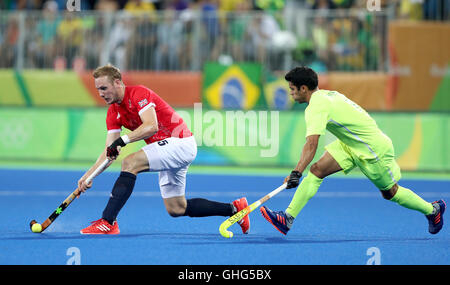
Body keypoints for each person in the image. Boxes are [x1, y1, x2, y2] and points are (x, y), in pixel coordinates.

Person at [260, 66, 446, 235]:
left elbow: (311, 144)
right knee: (317, 170)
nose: (291, 93)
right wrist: (298, 172)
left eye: (292, 89)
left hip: (371, 150)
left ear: (303, 89)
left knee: (390, 192)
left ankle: (433, 210)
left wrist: (296, 172)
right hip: (349, 144)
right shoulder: (327, 95)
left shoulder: (316, 105)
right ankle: (288, 217)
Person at [78, 64, 250, 234]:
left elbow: (151, 126)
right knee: (177, 208)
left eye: (103, 88)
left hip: (180, 143)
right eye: (98, 89)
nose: (100, 93)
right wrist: (88, 175)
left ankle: (108, 221)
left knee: (130, 163)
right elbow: (110, 152)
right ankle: (235, 209)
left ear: (117, 82)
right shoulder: (113, 113)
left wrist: (123, 140)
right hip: (166, 150)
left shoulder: (139, 93)